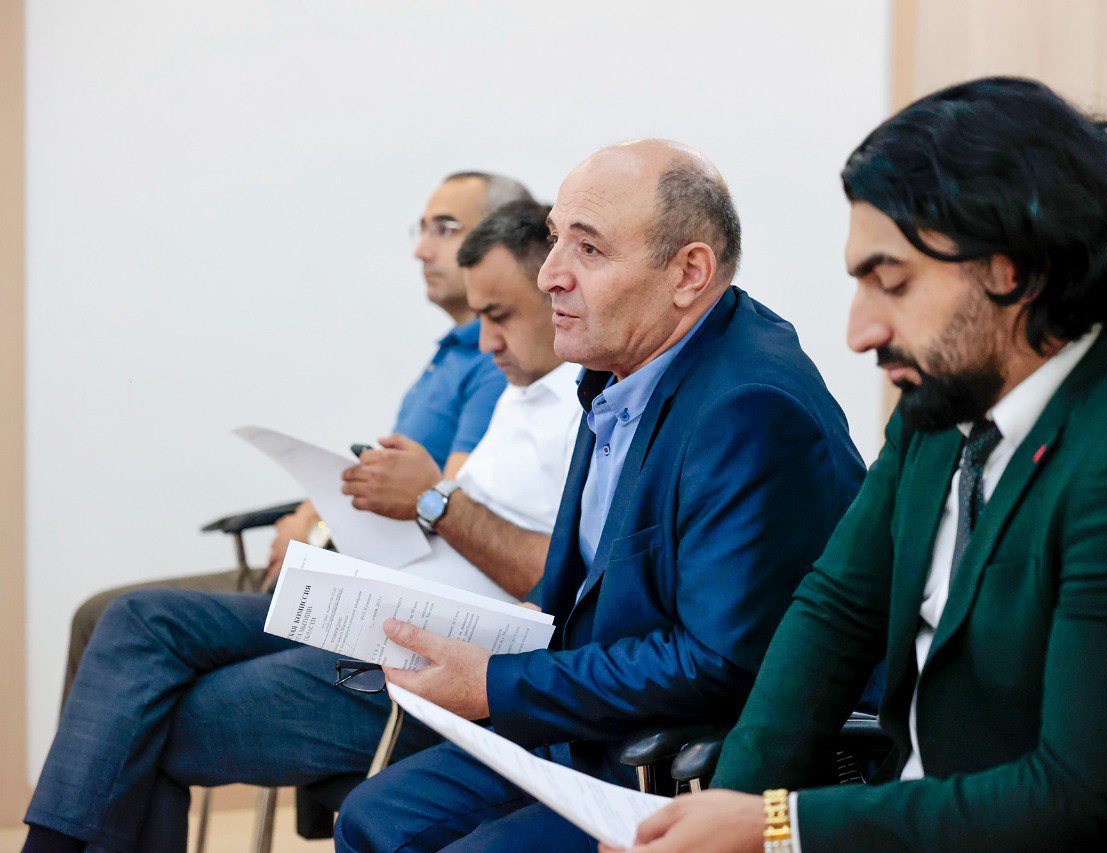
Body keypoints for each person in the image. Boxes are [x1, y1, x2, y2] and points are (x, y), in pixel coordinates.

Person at [616, 77, 1107, 853]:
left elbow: (1077, 800)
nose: (860, 331)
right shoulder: (948, 394)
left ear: (1011, 269)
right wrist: (724, 811)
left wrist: (775, 827)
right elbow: (837, 610)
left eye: (892, 282)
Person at [332, 138, 866, 852]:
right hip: (587, 718)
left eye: (588, 249)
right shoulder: (618, 367)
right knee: (372, 817)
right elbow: (588, 584)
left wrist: (497, 682)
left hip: (675, 760)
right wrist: (503, 631)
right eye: (556, 239)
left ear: (688, 273)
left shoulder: (750, 408)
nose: (550, 275)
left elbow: (720, 663)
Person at [23, 199, 582, 853]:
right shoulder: (519, 393)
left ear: (555, 295)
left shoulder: (583, 411)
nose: (486, 342)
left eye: (500, 316)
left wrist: (431, 500)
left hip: (411, 667)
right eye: (480, 317)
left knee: (137, 721)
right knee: (137, 620)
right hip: (375, 611)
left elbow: (560, 578)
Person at [59, 171, 527, 702]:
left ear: (501, 239)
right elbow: (389, 476)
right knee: (105, 622)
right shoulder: (448, 355)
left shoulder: (496, 365)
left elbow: (448, 498)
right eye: (419, 229)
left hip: (366, 583)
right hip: (335, 561)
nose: (421, 249)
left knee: (118, 623)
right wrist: (308, 513)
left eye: (444, 229)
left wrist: (320, 528)